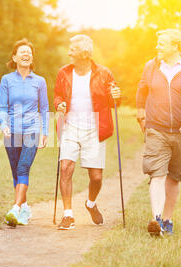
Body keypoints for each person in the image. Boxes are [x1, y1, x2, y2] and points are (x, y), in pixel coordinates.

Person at [136, 29, 181, 236]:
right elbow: (141, 92)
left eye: (162, 43)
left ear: (175, 46)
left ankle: (167, 220)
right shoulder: (151, 67)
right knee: (156, 174)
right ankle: (156, 219)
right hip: (157, 129)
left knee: (175, 177)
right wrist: (142, 118)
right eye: (157, 43)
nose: (157, 47)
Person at [53, 35, 121, 230]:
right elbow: (57, 94)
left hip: (95, 128)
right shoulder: (64, 73)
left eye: (72, 49)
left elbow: (113, 100)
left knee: (96, 177)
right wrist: (59, 104)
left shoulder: (104, 73)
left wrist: (116, 96)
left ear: (84, 53)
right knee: (65, 167)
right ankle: (68, 214)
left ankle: (90, 203)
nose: (68, 52)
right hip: (70, 126)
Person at [0, 39, 49, 227]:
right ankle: (25, 207)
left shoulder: (39, 81)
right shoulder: (6, 80)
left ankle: (15, 208)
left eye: (29, 52)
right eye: (22, 52)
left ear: (32, 57)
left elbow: (44, 108)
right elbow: (2, 106)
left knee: (23, 168)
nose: (26, 54)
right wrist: (3, 124)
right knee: (15, 171)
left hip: (32, 130)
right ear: (14, 57)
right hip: (11, 132)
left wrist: (45, 132)